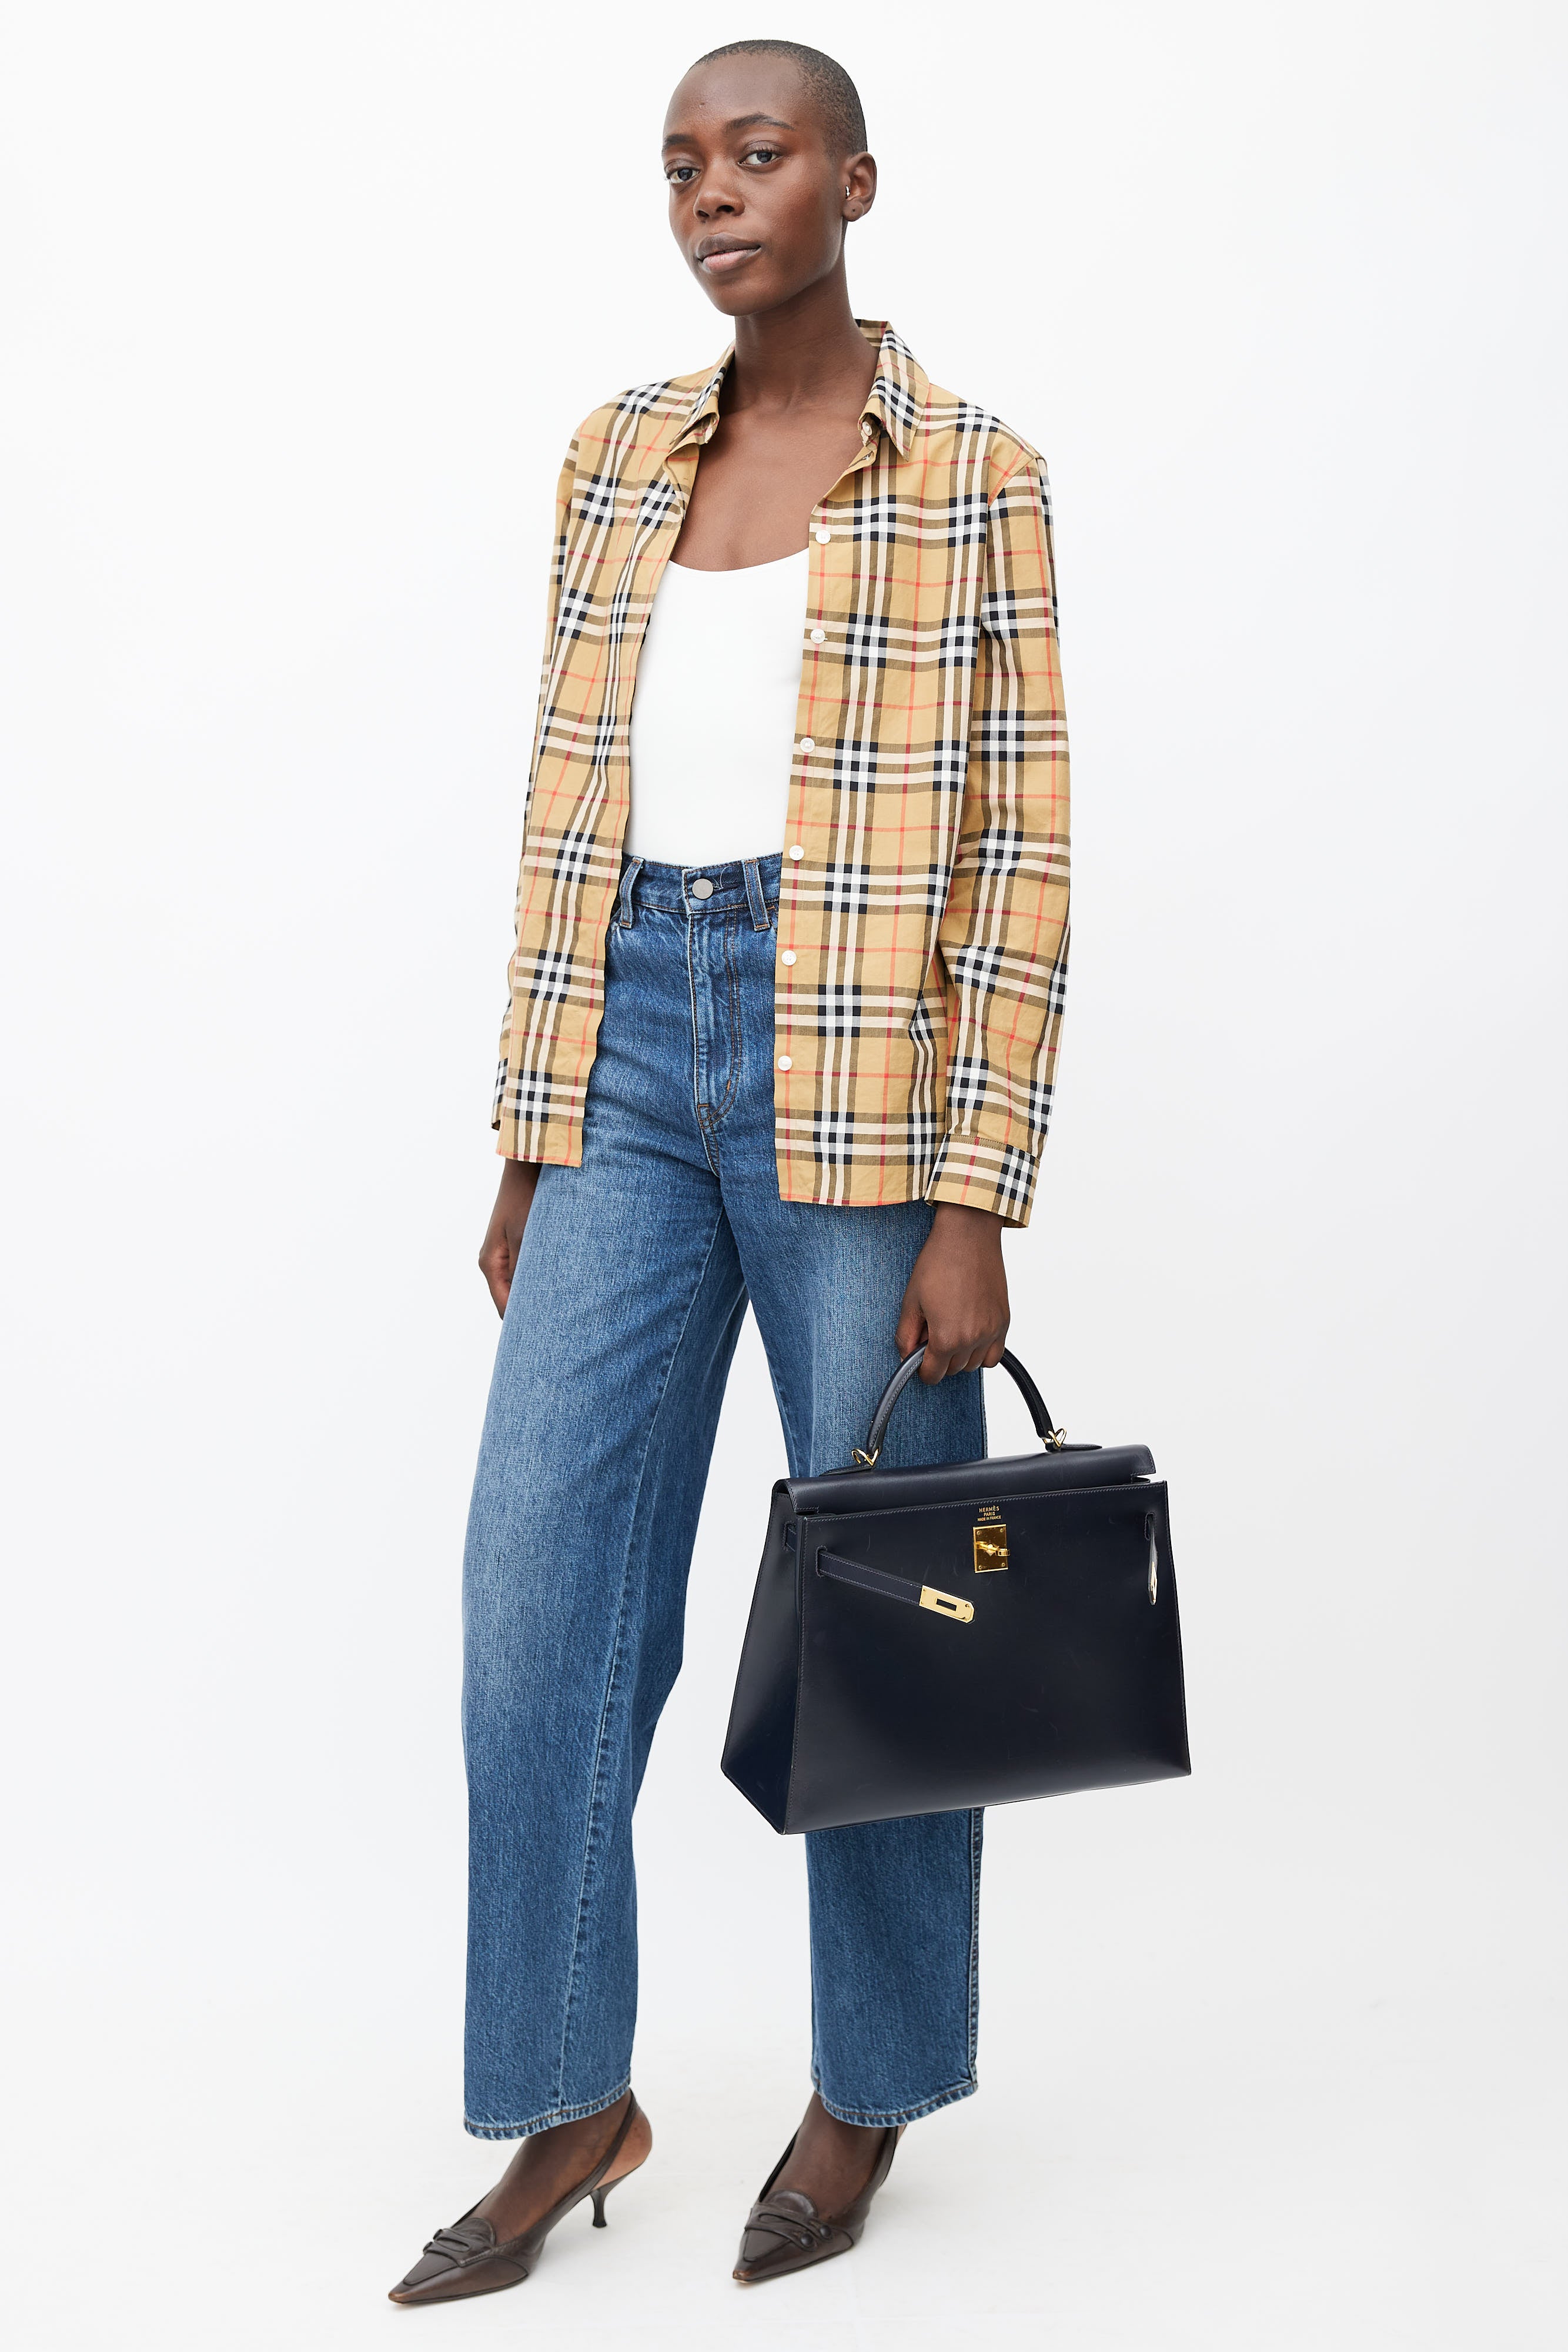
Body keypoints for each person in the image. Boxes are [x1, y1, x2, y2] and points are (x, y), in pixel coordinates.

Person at [390, 35, 1069, 2304]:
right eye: (681, 161)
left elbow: (1024, 857)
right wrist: (530, 1129)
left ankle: (871, 2082)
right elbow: (563, 801)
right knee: (535, 1601)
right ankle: (564, 2093)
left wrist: (976, 1194)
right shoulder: (612, 458)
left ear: (853, 183)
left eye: (757, 154)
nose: (711, 192)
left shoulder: (973, 473)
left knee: (892, 1608)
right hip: (625, 1051)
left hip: (857, 1069)